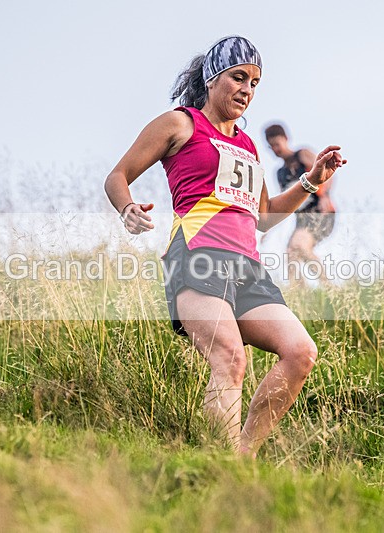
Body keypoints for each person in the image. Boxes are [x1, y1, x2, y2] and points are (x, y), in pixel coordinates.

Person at [103, 36, 346, 457]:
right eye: (238, 78)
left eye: (254, 83)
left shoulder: (248, 146)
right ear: (212, 78)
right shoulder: (180, 123)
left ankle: (242, 458)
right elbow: (118, 175)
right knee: (231, 359)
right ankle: (220, 466)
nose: (247, 90)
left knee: (301, 352)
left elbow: (265, 215)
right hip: (198, 258)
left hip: (247, 267)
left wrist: (312, 182)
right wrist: (127, 209)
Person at [264, 124, 337, 282]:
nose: (275, 149)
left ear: (286, 139)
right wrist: (268, 227)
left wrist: (324, 195)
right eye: (271, 147)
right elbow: (284, 203)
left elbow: (327, 172)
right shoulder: (280, 173)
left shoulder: (302, 154)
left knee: (299, 245)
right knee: (291, 255)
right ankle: (300, 298)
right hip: (301, 220)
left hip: (319, 213)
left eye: (277, 144)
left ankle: (331, 289)